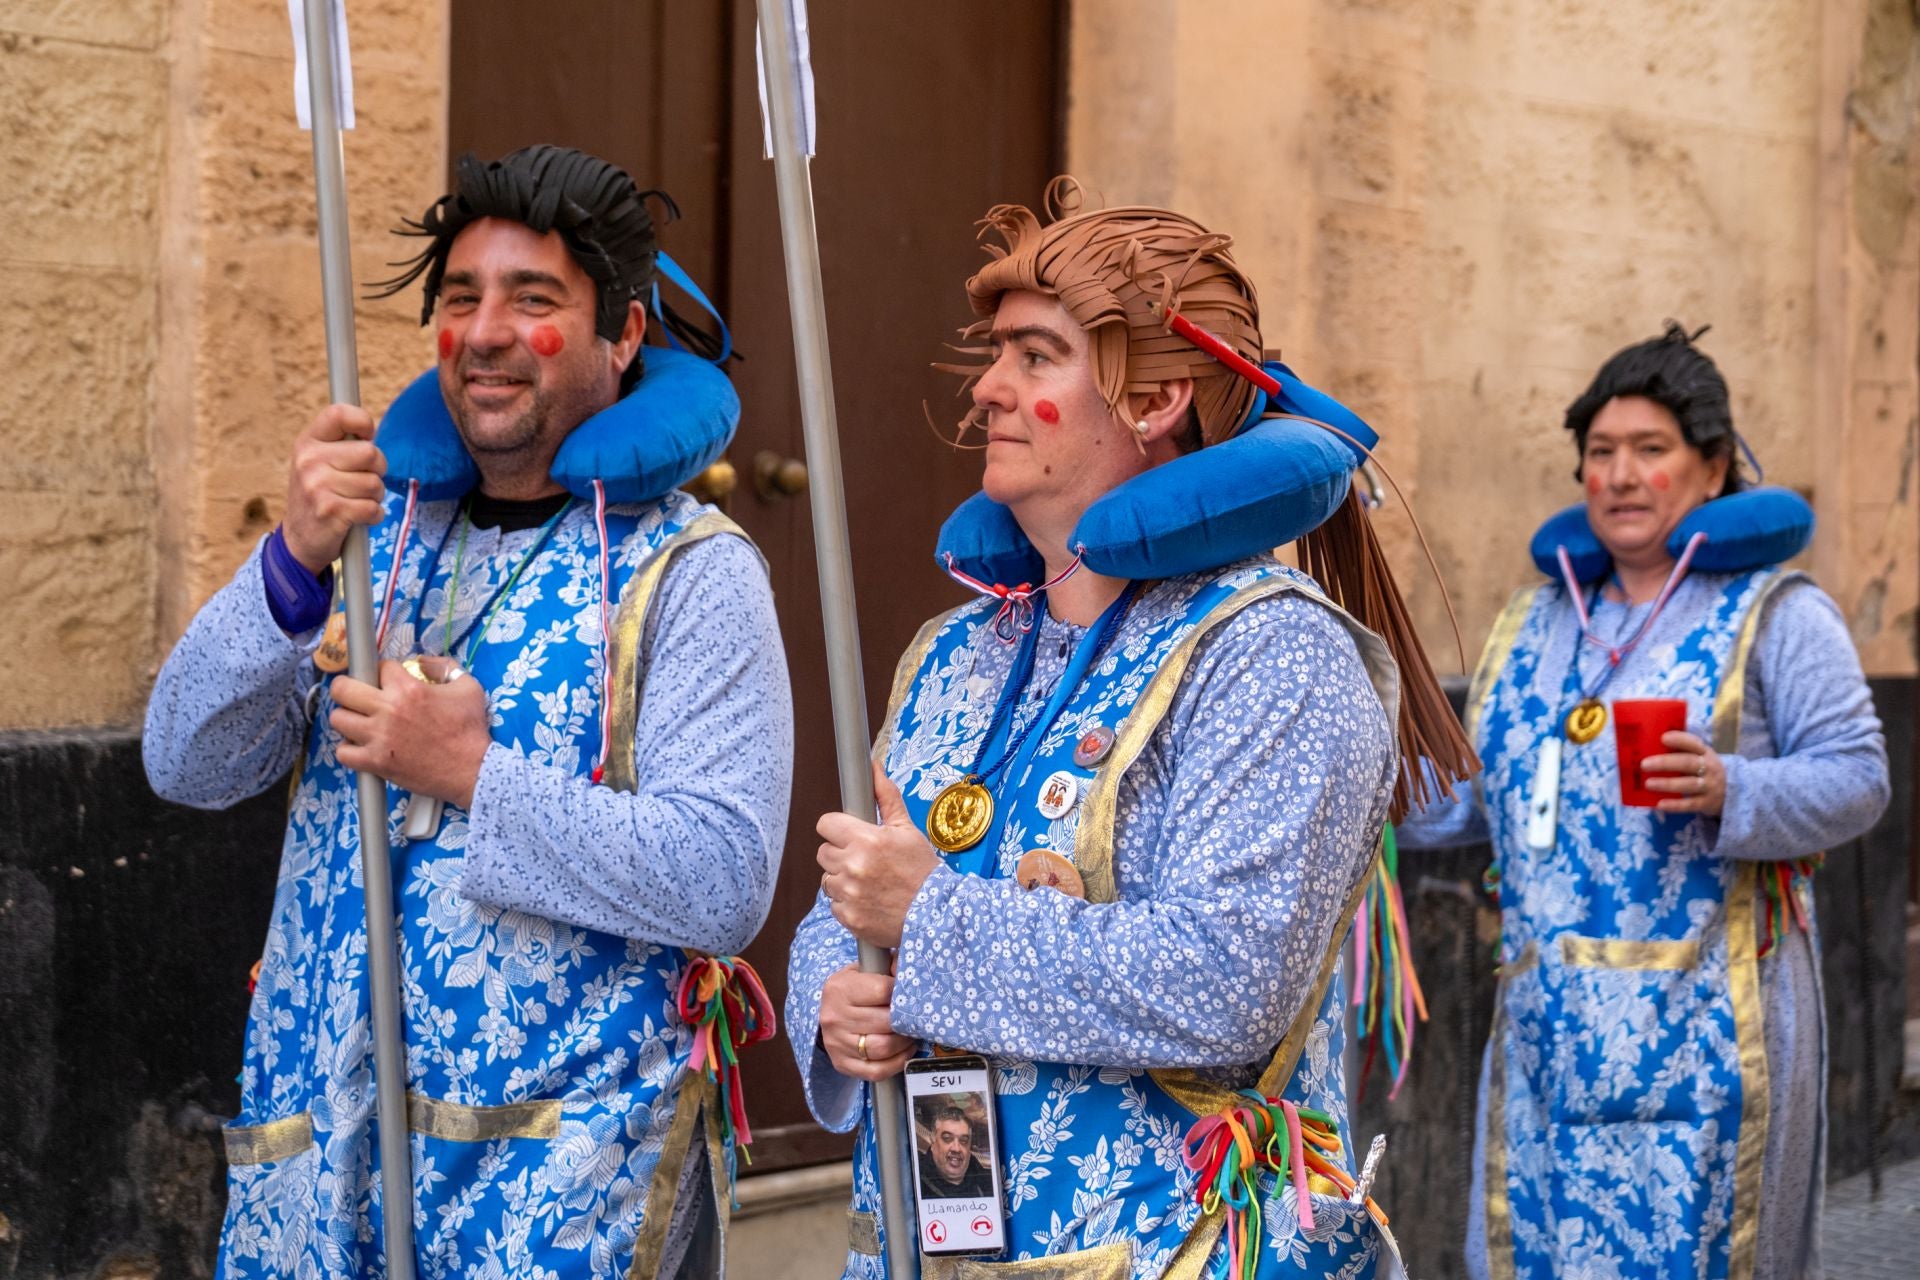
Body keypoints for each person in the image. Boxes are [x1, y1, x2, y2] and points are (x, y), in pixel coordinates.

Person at [788, 181, 1469, 1278]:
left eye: (1035, 357)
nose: (987, 388)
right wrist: (837, 994)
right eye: (994, 352)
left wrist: (935, 922)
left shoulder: (1275, 655)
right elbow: (857, 895)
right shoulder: (953, 647)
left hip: (1175, 1251)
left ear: (1154, 403)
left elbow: (1228, 980)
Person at [143, 145, 792, 1279]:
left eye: (533, 300)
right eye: (460, 298)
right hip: (328, 1174)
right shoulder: (371, 546)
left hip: (565, 1184)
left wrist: (474, 776)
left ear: (625, 334)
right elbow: (184, 760)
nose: (485, 331)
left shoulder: (694, 571)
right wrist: (290, 564)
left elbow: (722, 877)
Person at [1398, 323, 1890, 1280]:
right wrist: (1358, 786)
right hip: (1546, 1035)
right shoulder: (1531, 622)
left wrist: (1733, 786)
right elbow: (1466, 800)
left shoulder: (1778, 614)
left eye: (1650, 451)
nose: (1620, 475)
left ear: (1710, 469)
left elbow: (1860, 776)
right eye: (1600, 453)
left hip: (1710, 1035)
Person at [918, 1106, 994, 1200]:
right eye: (947, 1139)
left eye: (963, 1141)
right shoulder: (915, 1182)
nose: (956, 1148)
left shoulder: (988, 1183)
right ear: (933, 1140)